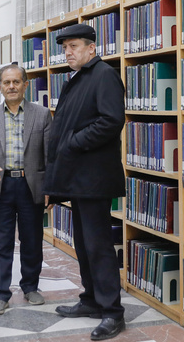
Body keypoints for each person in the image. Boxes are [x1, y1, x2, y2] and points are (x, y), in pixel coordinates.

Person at [43, 24, 126, 341]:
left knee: (99, 246)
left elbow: (111, 120)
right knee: (83, 243)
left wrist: (75, 142)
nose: (68, 52)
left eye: (74, 46)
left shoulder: (103, 74)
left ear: (92, 48)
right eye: (65, 48)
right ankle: (91, 299)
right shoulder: (77, 79)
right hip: (77, 178)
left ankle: (112, 312)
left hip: (93, 177)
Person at [0, 64, 52, 315]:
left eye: (16, 82)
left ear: (25, 85)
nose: (11, 87)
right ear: (0, 87)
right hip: (0, 185)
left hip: (31, 186)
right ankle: (0, 293)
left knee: (32, 240)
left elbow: (50, 155)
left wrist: (51, 187)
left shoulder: (41, 115)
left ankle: (30, 287)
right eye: (6, 83)